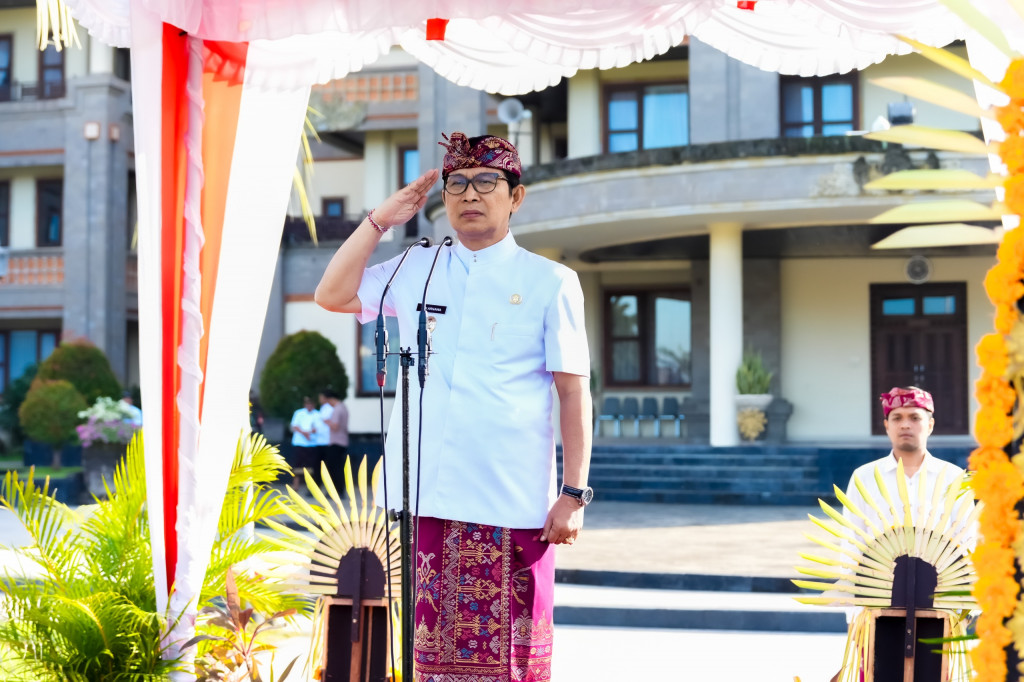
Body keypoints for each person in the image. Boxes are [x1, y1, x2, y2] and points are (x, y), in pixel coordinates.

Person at [314, 131, 592, 680]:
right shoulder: (415, 267)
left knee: (513, 666)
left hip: (512, 502)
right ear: (442, 198)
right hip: (430, 499)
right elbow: (332, 295)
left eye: (486, 182)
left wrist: (574, 493)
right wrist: (381, 220)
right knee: (432, 663)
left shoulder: (551, 281)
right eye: (457, 184)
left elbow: (572, 390)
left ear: (515, 196)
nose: (470, 194)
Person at [831, 386, 973, 682]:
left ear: (930, 424)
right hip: (877, 606)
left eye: (914, 417)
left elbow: (969, 542)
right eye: (897, 417)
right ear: (886, 425)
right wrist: (853, 614)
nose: (905, 424)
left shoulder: (953, 478)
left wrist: (965, 609)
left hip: (939, 609)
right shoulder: (865, 477)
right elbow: (851, 545)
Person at [289, 396, 327, 489]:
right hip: (299, 443)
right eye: (307, 404)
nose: (309, 405)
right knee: (297, 464)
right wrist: (305, 433)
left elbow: (319, 428)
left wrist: (309, 433)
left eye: (311, 404)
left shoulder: (318, 414)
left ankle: (310, 486)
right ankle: (295, 485)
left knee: (311, 466)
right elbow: (295, 426)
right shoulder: (299, 413)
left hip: (312, 443)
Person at [318, 389, 349, 486]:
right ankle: (339, 488)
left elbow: (335, 426)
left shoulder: (337, 409)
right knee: (338, 466)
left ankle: (336, 489)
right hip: (342, 441)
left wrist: (326, 421)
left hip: (336, 442)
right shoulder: (343, 407)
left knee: (334, 468)